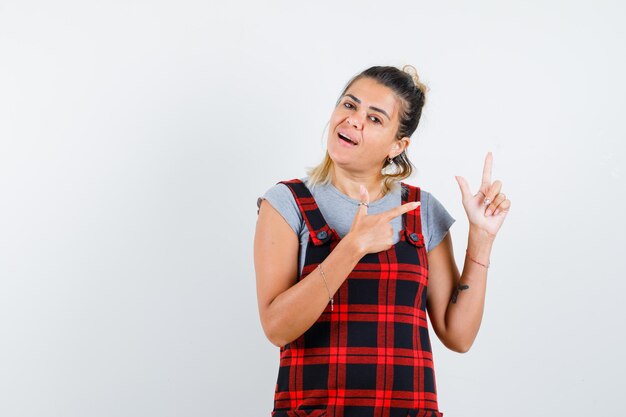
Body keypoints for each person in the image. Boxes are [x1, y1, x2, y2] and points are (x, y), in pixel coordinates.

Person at [254, 65, 511, 417]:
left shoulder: (421, 211)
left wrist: (482, 238)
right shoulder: (286, 203)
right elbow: (277, 328)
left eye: (375, 119)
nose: (354, 120)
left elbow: (458, 335)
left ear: (397, 145)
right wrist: (352, 247)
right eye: (349, 105)